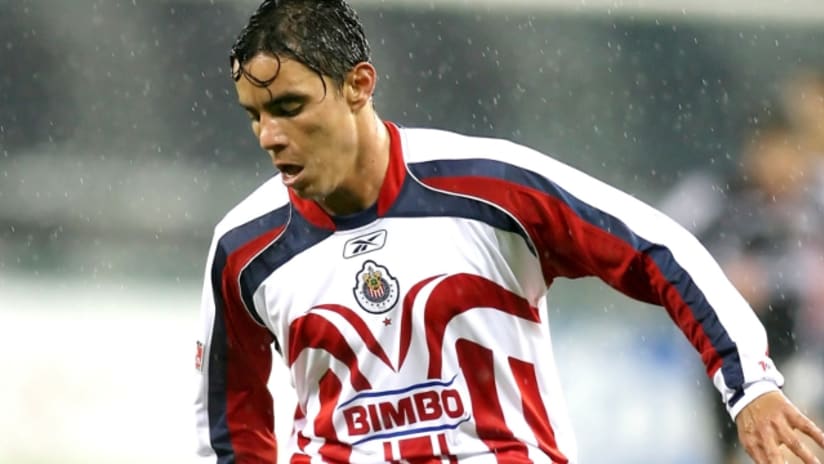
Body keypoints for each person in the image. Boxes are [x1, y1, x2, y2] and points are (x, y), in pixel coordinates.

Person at [193, 1, 824, 462]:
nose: (269, 136)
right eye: (254, 115)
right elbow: (229, 427)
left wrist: (749, 384)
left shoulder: (488, 186)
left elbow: (657, 247)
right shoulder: (244, 247)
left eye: (290, 106)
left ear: (359, 85)